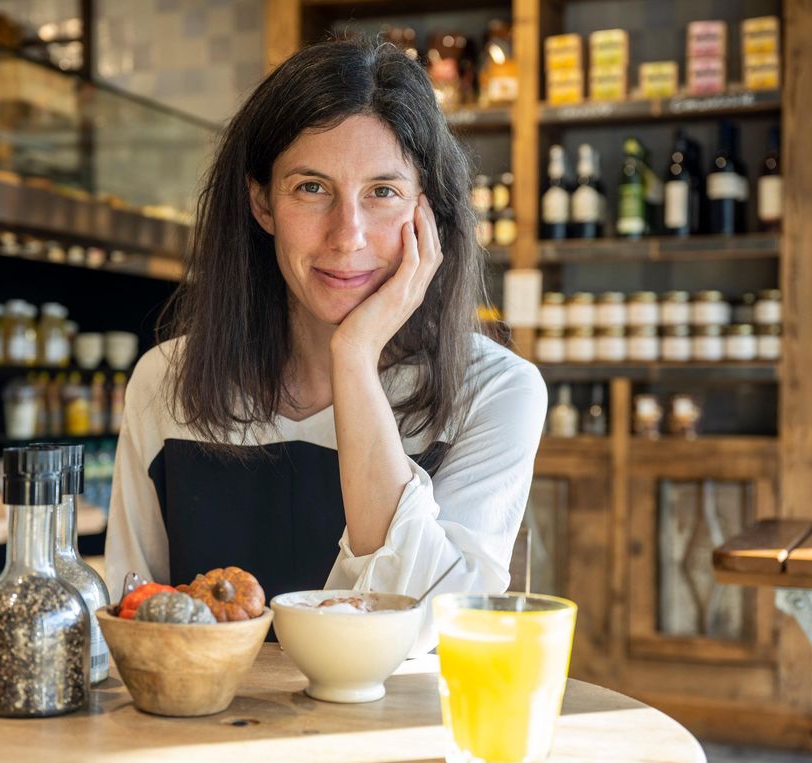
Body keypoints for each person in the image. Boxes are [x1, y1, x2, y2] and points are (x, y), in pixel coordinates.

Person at [104, 37, 546, 647]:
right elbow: (133, 618)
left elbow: (426, 629)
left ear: (428, 214)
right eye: (312, 188)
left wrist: (355, 359)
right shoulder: (166, 381)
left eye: (383, 192)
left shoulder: (496, 392)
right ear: (262, 202)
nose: (347, 236)